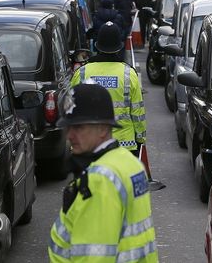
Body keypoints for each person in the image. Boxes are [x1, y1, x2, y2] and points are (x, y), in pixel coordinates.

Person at [48, 82, 157, 263]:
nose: (70, 135)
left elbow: (95, 255)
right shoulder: (131, 163)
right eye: (69, 127)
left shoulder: (99, 179)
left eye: (79, 127)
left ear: (103, 128)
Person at [71, 22, 146, 155]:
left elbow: (71, 111)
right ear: (118, 48)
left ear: (97, 46)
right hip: (123, 145)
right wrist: (140, 138)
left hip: (89, 145)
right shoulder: (129, 74)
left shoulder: (82, 73)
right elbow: (137, 112)